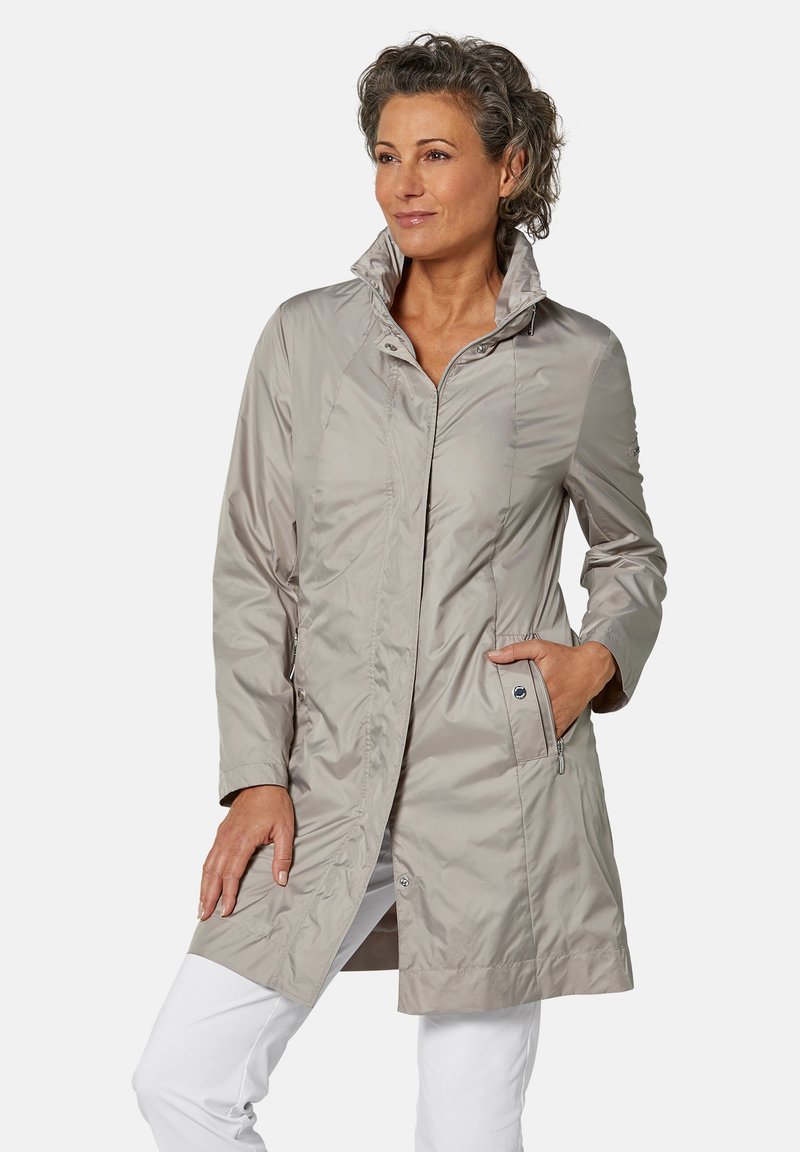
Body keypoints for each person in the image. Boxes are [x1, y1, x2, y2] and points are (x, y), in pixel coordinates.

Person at [132, 31, 667, 1152]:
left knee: (465, 1132)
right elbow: (255, 568)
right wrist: (254, 776)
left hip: (494, 788)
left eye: (434, 154)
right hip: (326, 782)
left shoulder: (576, 362)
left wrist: (594, 660)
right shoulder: (307, 340)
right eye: (385, 155)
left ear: (509, 167)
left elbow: (628, 552)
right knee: (182, 1082)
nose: (402, 185)